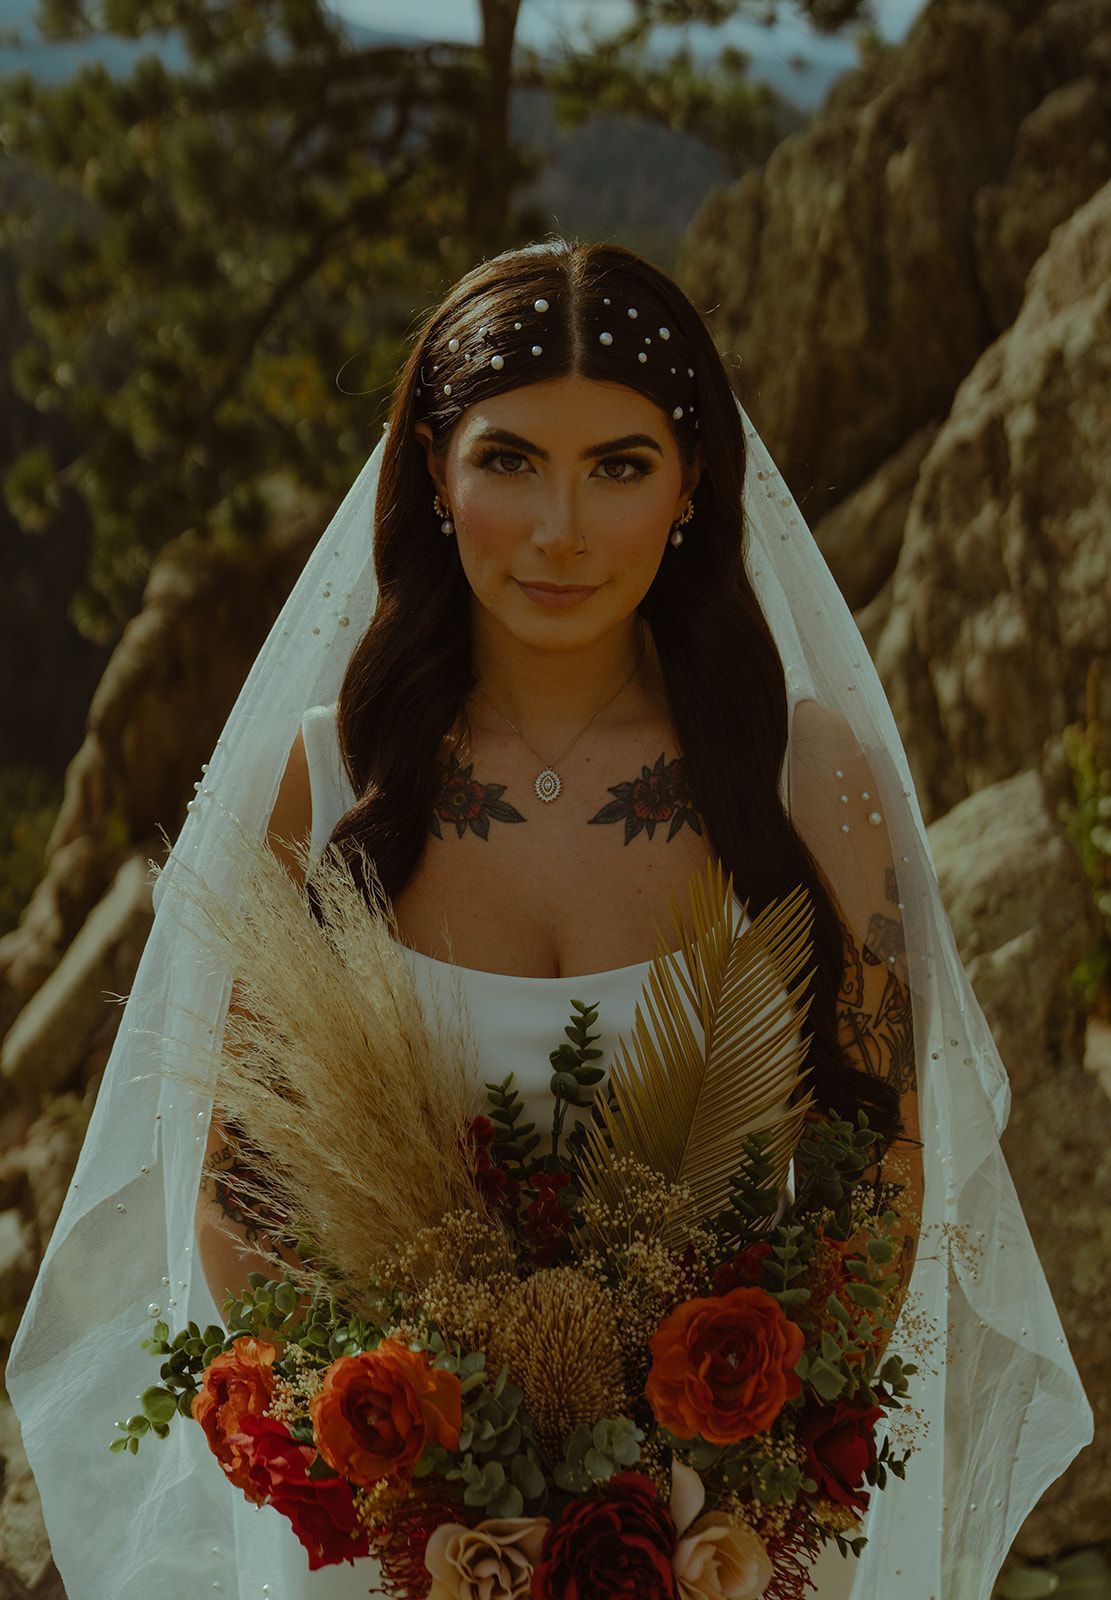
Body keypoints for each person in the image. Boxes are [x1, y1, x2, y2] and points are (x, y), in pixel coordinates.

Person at [6, 237, 1092, 1600]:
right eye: (510, 460)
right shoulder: (331, 782)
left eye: (619, 467)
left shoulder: (808, 781)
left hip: (717, 1551)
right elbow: (245, 1200)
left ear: (692, 487)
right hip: (414, 1550)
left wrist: (698, 1484)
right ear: (435, 480)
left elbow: (884, 1186)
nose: (560, 528)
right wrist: (437, 1485)